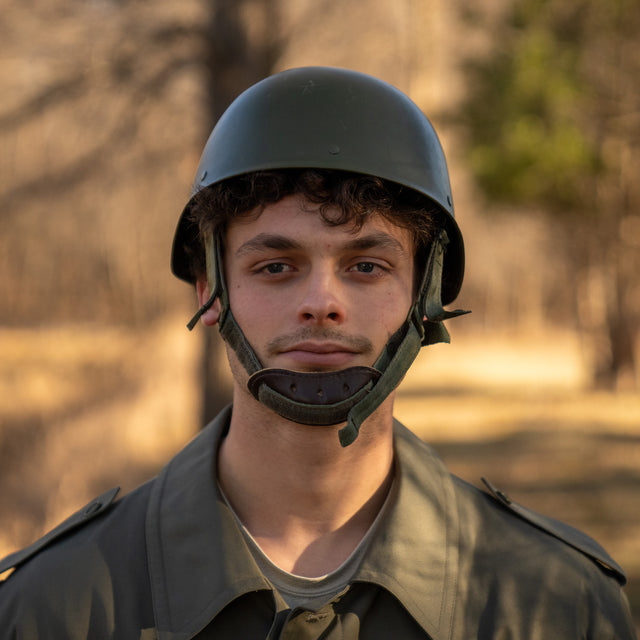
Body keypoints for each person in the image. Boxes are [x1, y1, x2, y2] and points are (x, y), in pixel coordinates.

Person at [0, 66, 635, 639]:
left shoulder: (556, 604)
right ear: (210, 291)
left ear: (425, 296)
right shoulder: (56, 605)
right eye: (277, 265)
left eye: (366, 265)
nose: (322, 303)